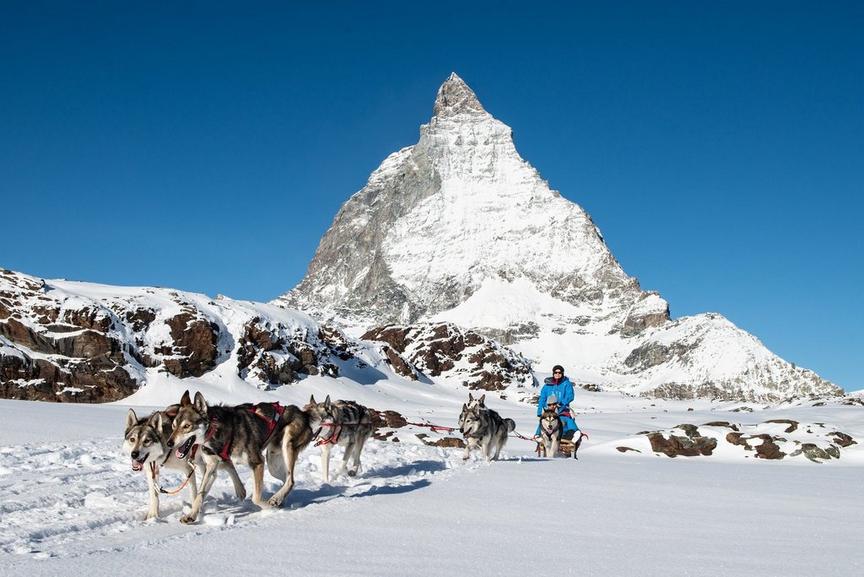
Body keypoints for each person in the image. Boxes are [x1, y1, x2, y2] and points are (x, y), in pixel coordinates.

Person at [535, 364, 580, 440]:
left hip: (562, 409)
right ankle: (538, 435)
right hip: (549, 410)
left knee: (567, 420)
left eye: (559, 372)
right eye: (556, 372)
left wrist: (562, 403)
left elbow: (570, 396)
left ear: (562, 373)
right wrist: (540, 411)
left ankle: (575, 433)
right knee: (544, 421)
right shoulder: (547, 386)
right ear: (553, 373)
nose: (557, 374)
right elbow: (542, 399)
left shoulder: (566, 384)